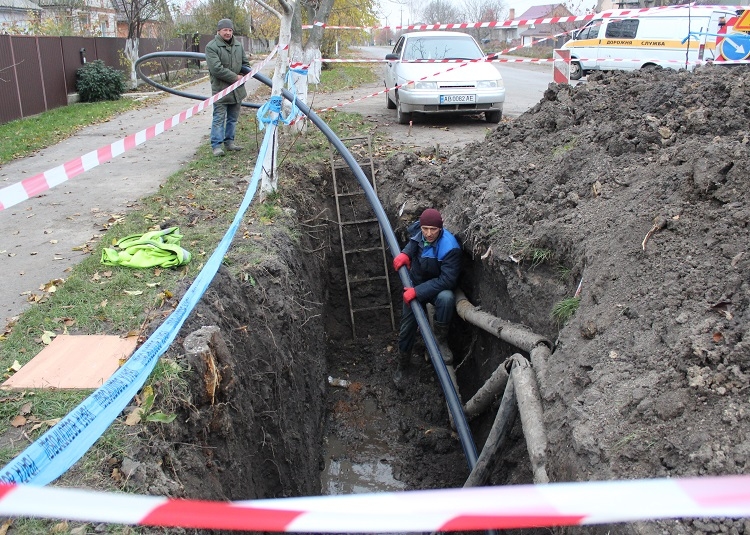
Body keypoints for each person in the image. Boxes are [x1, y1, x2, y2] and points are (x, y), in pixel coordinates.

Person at [392, 208, 462, 385]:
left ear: (441, 228)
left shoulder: (450, 246)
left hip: (436, 287)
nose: (429, 234)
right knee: (407, 327)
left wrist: (418, 292)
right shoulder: (418, 231)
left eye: (433, 229)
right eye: (425, 229)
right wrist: (405, 254)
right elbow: (413, 244)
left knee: (446, 298)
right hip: (415, 283)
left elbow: (447, 280)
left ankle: (440, 339)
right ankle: (403, 365)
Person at [205, 18, 251, 157]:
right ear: (218, 31)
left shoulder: (238, 45)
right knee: (219, 118)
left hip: (237, 91)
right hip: (221, 90)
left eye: (230, 30)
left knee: (232, 118)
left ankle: (230, 142)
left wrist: (244, 74)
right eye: (225, 30)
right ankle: (216, 146)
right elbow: (216, 69)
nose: (228, 33)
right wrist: (235, 77)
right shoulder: (212, 47)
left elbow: (245, 63)